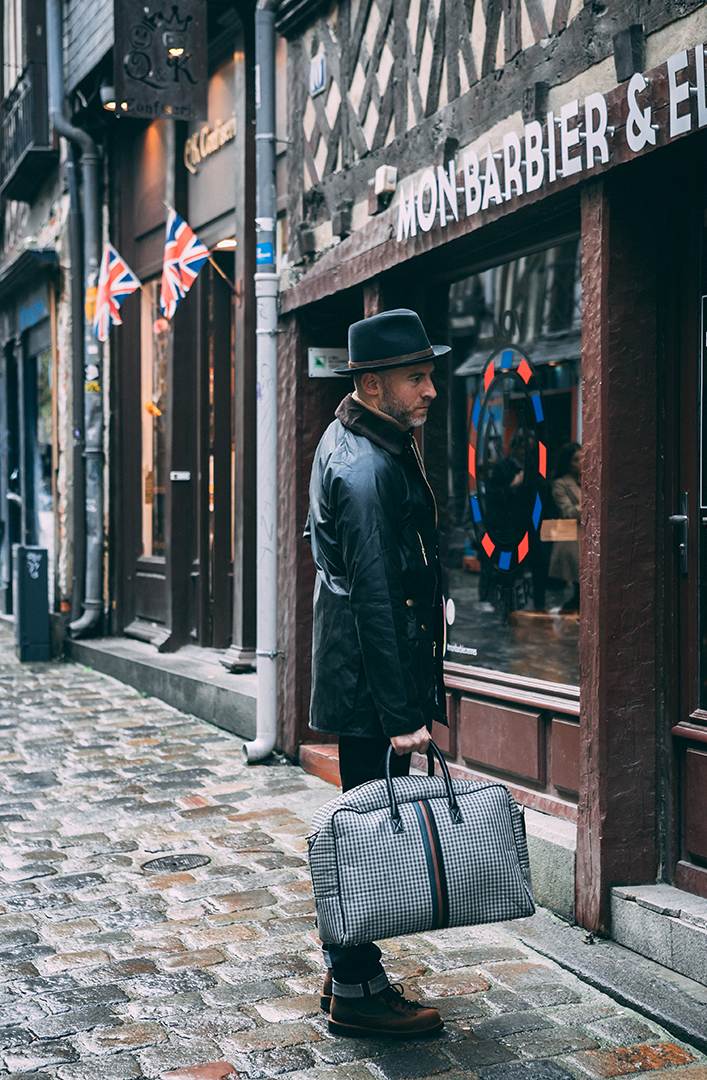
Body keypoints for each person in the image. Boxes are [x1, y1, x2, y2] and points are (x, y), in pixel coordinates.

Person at [304, 308, 449, 1039]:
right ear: (371, 382)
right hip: (369, 684)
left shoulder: (369, 441)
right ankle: (357, 988)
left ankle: (348, 972)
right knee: (363, 834)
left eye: (430, 374)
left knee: (361, 828)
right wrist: (401, 715)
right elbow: (377, 601)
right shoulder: (362, 467)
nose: (431, 390)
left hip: (364, 678)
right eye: (417, 377)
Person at [548, 442, 581, 612]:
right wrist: (589, 504)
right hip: (572, 537)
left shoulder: (589, 480)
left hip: (588, 537)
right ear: (568, 463)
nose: (581, 463)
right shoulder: (561, 483)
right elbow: (568, 511)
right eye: (576, 460)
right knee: (579, 580)